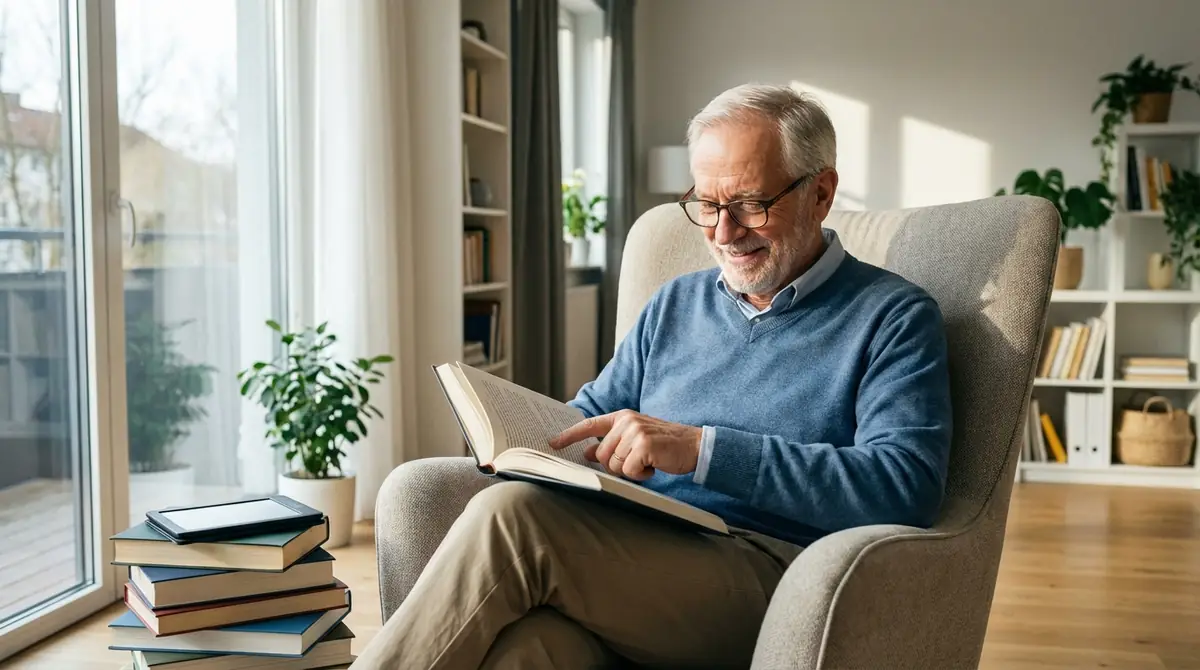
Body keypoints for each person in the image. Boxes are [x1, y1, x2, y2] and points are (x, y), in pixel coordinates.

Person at [351, 83, 953, 670]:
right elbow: (591, 417)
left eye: (749, 204)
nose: (723, 233)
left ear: (821, 194)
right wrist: (526, 444)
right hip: (637, 553)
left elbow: (905, 485)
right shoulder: (676, 303)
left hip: (775, 574)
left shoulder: (893, 317)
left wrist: (700, 449)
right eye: (708, 205)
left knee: (512, 519)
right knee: (528, 650)